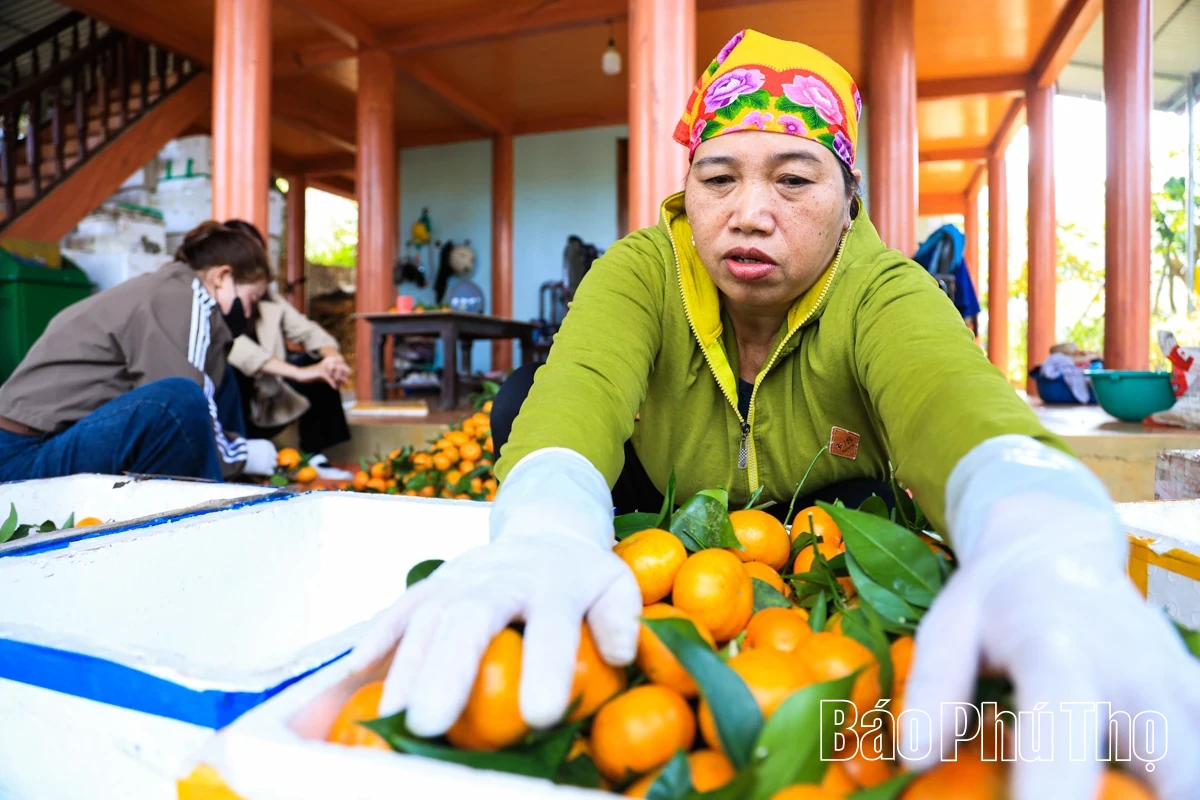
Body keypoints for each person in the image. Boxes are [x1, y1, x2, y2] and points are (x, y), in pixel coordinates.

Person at [350, 31, 1200, 797]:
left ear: (847, 195)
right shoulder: (643, 270)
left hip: (830, 510)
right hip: (655, 502)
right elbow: (581, 391)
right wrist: (544, 525)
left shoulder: (882, 287)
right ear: (687, 188)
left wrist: (1038, 535)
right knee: (521, 399)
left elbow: (957, 405)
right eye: (718, 179)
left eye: (794, 180)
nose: (749, 213)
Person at [0, 221, 279, 481]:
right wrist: (241, 454)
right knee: (179, 398)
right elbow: (188, 400)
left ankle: (227, 483)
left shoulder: (165, 287)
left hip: (38, 441)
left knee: (219, 377)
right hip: (21, 458)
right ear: (222, 277)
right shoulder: (186, 297)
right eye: (251, 299)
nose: (250, 311)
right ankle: (221, 506)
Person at [222, 220, 351, 454]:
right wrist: (299, 374)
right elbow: (232, 346)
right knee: (230, 372)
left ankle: (315, 456)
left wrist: (331, 359)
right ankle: (238, 454)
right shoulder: (210, 295)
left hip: (269, 390)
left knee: (317, 365)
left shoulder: (267, 297)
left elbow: (306, 330)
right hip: (234, 397)